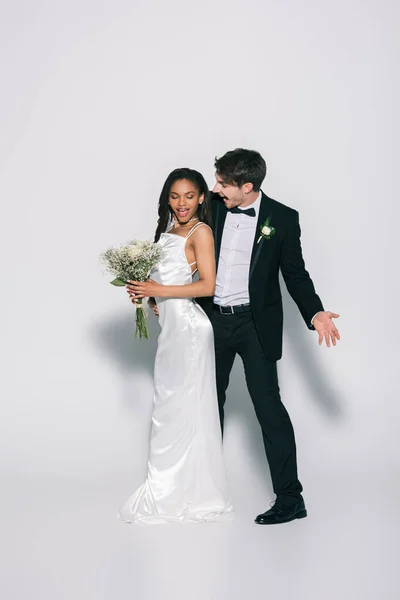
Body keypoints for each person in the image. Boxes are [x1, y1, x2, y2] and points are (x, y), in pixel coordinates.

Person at [196, 148, 340, 525]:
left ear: (248, 186)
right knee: (207, 404)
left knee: (269, 409)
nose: (216, 188)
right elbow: (177, 232)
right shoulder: (211, 205)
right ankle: (200, 490)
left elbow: (295, 274)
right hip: (213, 322)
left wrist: (315, 311)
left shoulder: (283, 218)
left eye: (224, 183)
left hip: (255, 326)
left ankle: (291, 498)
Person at [120, 168, 235, 524]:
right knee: (168, 409)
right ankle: (169, 486)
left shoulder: (201, 232)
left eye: (189, 196)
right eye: (174, 196)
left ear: (202, 197)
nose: (181, 203)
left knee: (187, 410)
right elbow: (167, 282)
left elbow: (207, 286)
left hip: (189, 331)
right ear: (166, 199)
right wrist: (148, 297)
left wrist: (158, 292)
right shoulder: (168, 233)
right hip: (170, 331)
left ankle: (192, 492)